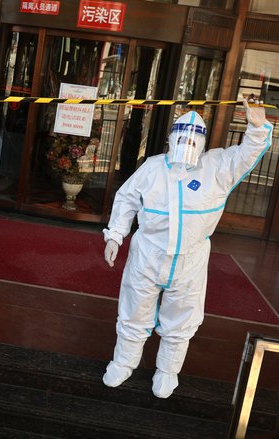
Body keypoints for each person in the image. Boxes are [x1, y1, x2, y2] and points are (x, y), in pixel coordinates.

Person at [101, 97, 272, 398]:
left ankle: (168, 370)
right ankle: (124, 362)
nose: (188, 142)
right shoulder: (152, 169)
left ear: (203, 142)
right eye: (181, 136)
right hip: (147, 254)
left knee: (182, 318)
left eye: (194, 137)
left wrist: (257, 128)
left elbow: (247, 154)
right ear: (169, 139)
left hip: (190, 260)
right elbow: (127, 198)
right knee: (133, 311)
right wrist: (116, 234)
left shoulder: (217, 167)